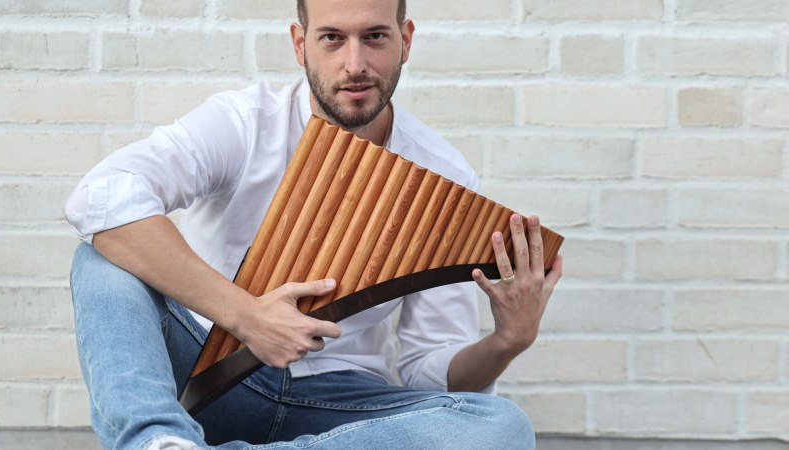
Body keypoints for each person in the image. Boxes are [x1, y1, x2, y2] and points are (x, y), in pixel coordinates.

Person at [64, 0, 563, 448]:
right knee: (104, 254)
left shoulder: (444, 173)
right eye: (332, 38)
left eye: (375, 37)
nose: (355, 64)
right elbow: (101, 196)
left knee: (501, 428)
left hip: (340, 407)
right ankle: (156, 441)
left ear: (405, 40)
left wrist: (506, 343)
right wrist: (246, 316)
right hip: (207, 383)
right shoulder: (242, 123)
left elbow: (428, 378)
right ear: (300, 43)